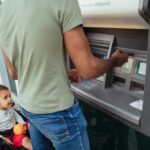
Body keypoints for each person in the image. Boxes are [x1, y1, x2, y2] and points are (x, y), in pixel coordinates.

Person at [0, 0, 128, 150]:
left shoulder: (4, 8)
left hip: (30, 108)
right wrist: (115, 60)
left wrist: (60, 74)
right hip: (58, 113)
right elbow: (89, 69)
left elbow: (15, 72)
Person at [0, 84, 32, 150]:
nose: (10, 99)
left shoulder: (10, 108)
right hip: (7, 135)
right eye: (5, 98)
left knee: (29, 126)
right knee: (23, 140)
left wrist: (22, 123)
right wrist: (3, 138)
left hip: (16, 129)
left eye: (10, 96)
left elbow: (17, 116)